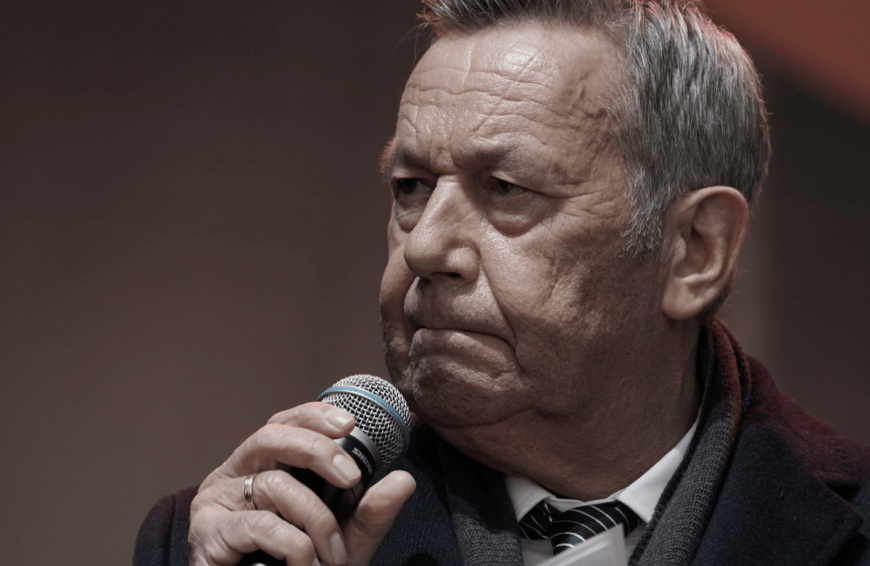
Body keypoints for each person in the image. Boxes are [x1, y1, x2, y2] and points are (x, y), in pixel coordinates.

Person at [134, 1, 870, 565]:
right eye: (411, 187)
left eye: (506, 189)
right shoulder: (238, 540)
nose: (425, 246)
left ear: (694, 252)